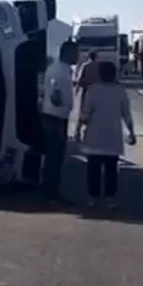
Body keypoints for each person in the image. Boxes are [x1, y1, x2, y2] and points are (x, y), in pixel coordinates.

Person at [78, 59, 137, 209]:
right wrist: (131, 132)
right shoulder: (120, 91)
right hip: (113, 135)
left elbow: (85, 114)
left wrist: (79, 129)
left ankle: (93, 196)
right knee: (111, 169)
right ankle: (110, 198)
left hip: (94, 136)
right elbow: (127, 115)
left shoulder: (93, 90)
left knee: (93, 168)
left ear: (100, 74)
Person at [42, 40, 79, 200]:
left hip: (57, 116)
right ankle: (50, 194)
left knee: (55, 155)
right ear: (67, 53)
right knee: (54, 156)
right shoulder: (59, 70)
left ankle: (51, 192)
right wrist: (56, 96)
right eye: (75, 53)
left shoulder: (62, 69)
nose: (78, 56)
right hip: (55, 118)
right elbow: (54, 87)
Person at [72, 50, 101, 140]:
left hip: (87, 91)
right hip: (97, 92)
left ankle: (77, 132)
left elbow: (80, 79)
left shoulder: (85, 66)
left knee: (84, 112)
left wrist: (77, 90)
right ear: (96, 57)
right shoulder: (99, 66)